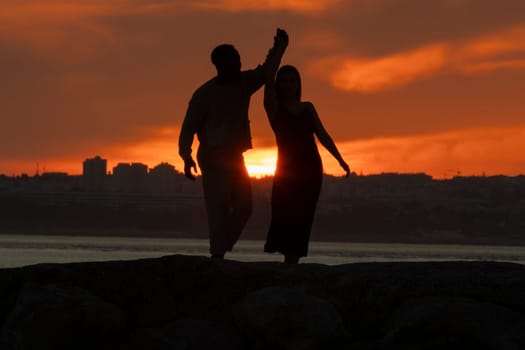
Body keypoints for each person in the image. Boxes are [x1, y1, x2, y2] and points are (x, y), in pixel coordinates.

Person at [178, 29, 289, 259]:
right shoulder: (204, 95)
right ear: (220, 64)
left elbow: (267, 71)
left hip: (234, 156)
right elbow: (188, 128)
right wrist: (186, 156)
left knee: (245, 207)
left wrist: (279, 48)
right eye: (234, 59)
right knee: (217, 209)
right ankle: (217, 254)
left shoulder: (243, 83)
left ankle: (221, 247)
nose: (240, 62)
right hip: (212, 157)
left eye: (239, 58)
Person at [263, 32, 350, 264]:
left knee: (303, 216)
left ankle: (293, 262)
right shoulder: (273, 108)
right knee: (284, 213)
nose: (289, 85)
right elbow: (268, 76)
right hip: (286, 171)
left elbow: (323, 135)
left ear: (299, 84)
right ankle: (287, 261)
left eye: (293, 81)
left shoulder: (308, 107)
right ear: (279, 84)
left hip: (310, 169)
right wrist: (279, 50)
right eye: (285, 80)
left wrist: (340, 160)